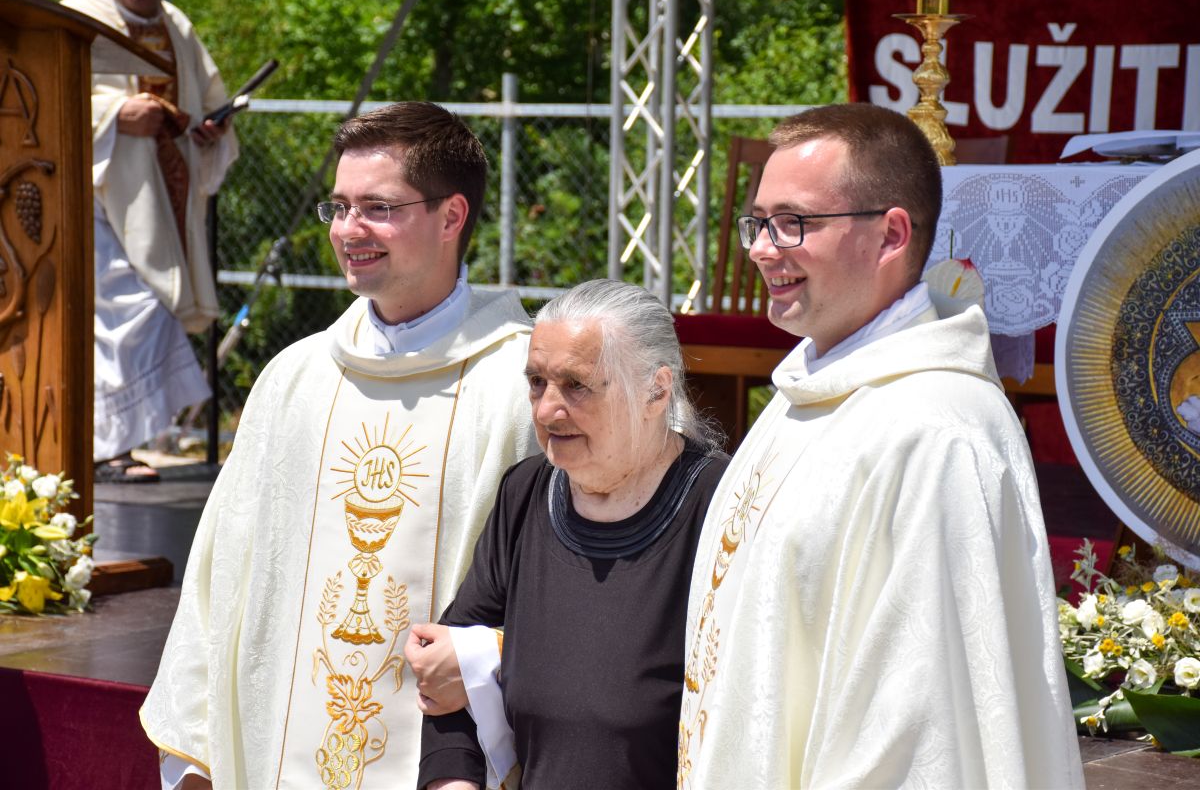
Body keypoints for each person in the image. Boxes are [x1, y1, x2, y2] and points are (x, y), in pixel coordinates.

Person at [677, 104, 1085, 788]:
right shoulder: (808, 393)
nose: (762, 249)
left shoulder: (935, 433)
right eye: (759, 222)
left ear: (891, 234)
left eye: (793, 222)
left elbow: (918, 734)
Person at [138, 102, 539, 789]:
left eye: (378, 208)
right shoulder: (295, 379)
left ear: (452, 217)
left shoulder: (524, 386)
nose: (349, 230)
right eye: (340, 207)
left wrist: (491, 655)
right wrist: (197, 748)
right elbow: (220, 574)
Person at [410, 279, 728, 789]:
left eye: (576, 385)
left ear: (656, 390)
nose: (545, 409)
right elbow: (448, 674)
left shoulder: (722, 508)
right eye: (537, 382)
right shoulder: (525, 495)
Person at [62, 0, 238, 482]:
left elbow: (207, 101)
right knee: (131, 309)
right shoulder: (77, 16)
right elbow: (38, 95)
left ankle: (114, 446)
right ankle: (105, 449)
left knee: (146, 308)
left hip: (159, 195)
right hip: (89, 196)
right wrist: (113, 116)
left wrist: (208, 130)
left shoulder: (176, 24)